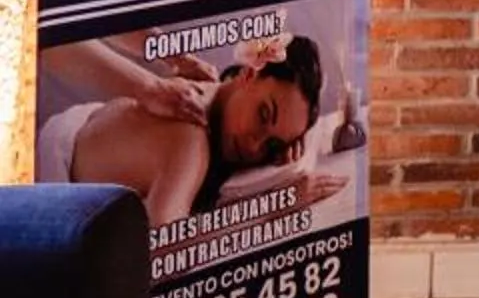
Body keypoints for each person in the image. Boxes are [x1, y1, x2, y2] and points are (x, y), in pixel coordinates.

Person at [35, 34, 334, 223]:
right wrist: (271, 208)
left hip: (81, 136)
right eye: (263, 115)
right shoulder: (190, 136)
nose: (255, 147)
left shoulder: (214, 92)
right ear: (249, 73)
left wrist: (280, 147)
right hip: (46, 190)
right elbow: (166, 251)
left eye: (272, 144)